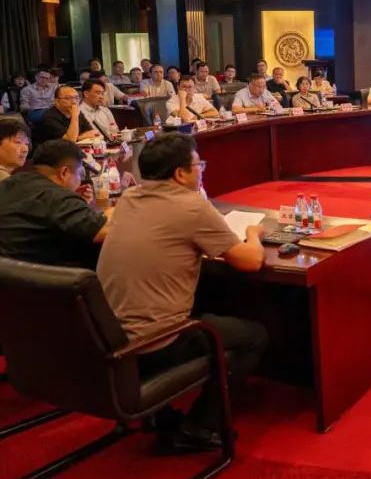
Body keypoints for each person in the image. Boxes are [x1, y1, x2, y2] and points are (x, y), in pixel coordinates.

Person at [97, 133, 267, 451]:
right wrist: (253, 233)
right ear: (180, 173)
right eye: (198, 164)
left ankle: (161, 414)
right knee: (254, 336)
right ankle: (200, 426)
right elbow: (250, 261)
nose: (201, 170)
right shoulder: (191, 206)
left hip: (108, 338)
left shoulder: (129, 198)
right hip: (155, 343)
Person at [0, 139, 111, 269]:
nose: (80, 180)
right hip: (41, 276)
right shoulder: (57, 197)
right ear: (64, 172)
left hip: (10, 272)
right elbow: (105, 231)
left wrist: (75, 202)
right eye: (80, 174)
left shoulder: (12, 181)